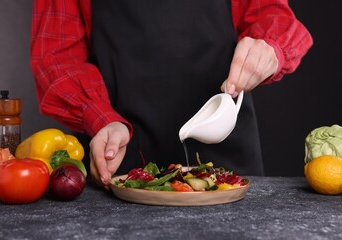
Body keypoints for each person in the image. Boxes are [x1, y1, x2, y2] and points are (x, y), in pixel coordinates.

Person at [30, 0, 313, 189]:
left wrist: (269, 48)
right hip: (120, 152)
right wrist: (100, 118)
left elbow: (271, 13)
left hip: (226, 154)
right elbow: (56, 55)